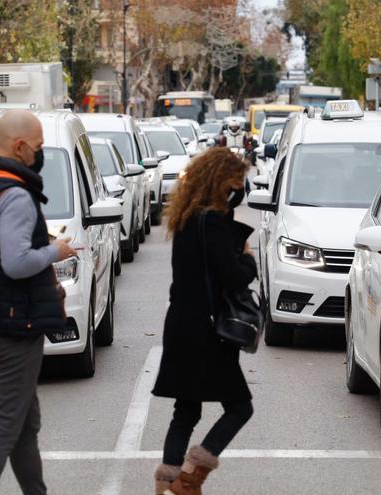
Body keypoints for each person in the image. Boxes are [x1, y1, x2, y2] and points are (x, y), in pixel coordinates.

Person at [0, 109, 76, 495]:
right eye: (38, 146)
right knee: (5, 425)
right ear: (19, 146)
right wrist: (54, 251)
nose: (39, 154)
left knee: (24, 423)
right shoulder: (16, 197)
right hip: (15, 325)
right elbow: (17, 262)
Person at [152, 147, 257, 495]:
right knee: (240, 407)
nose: (238, 189)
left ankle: (166, 482)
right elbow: (234, 277)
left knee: (186, 409)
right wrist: (248, 260)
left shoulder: (186, 218)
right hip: (206, 331)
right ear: (219, 181)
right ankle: (191, 477)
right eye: (235, 182)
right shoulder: (212, 223)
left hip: (181, 322)